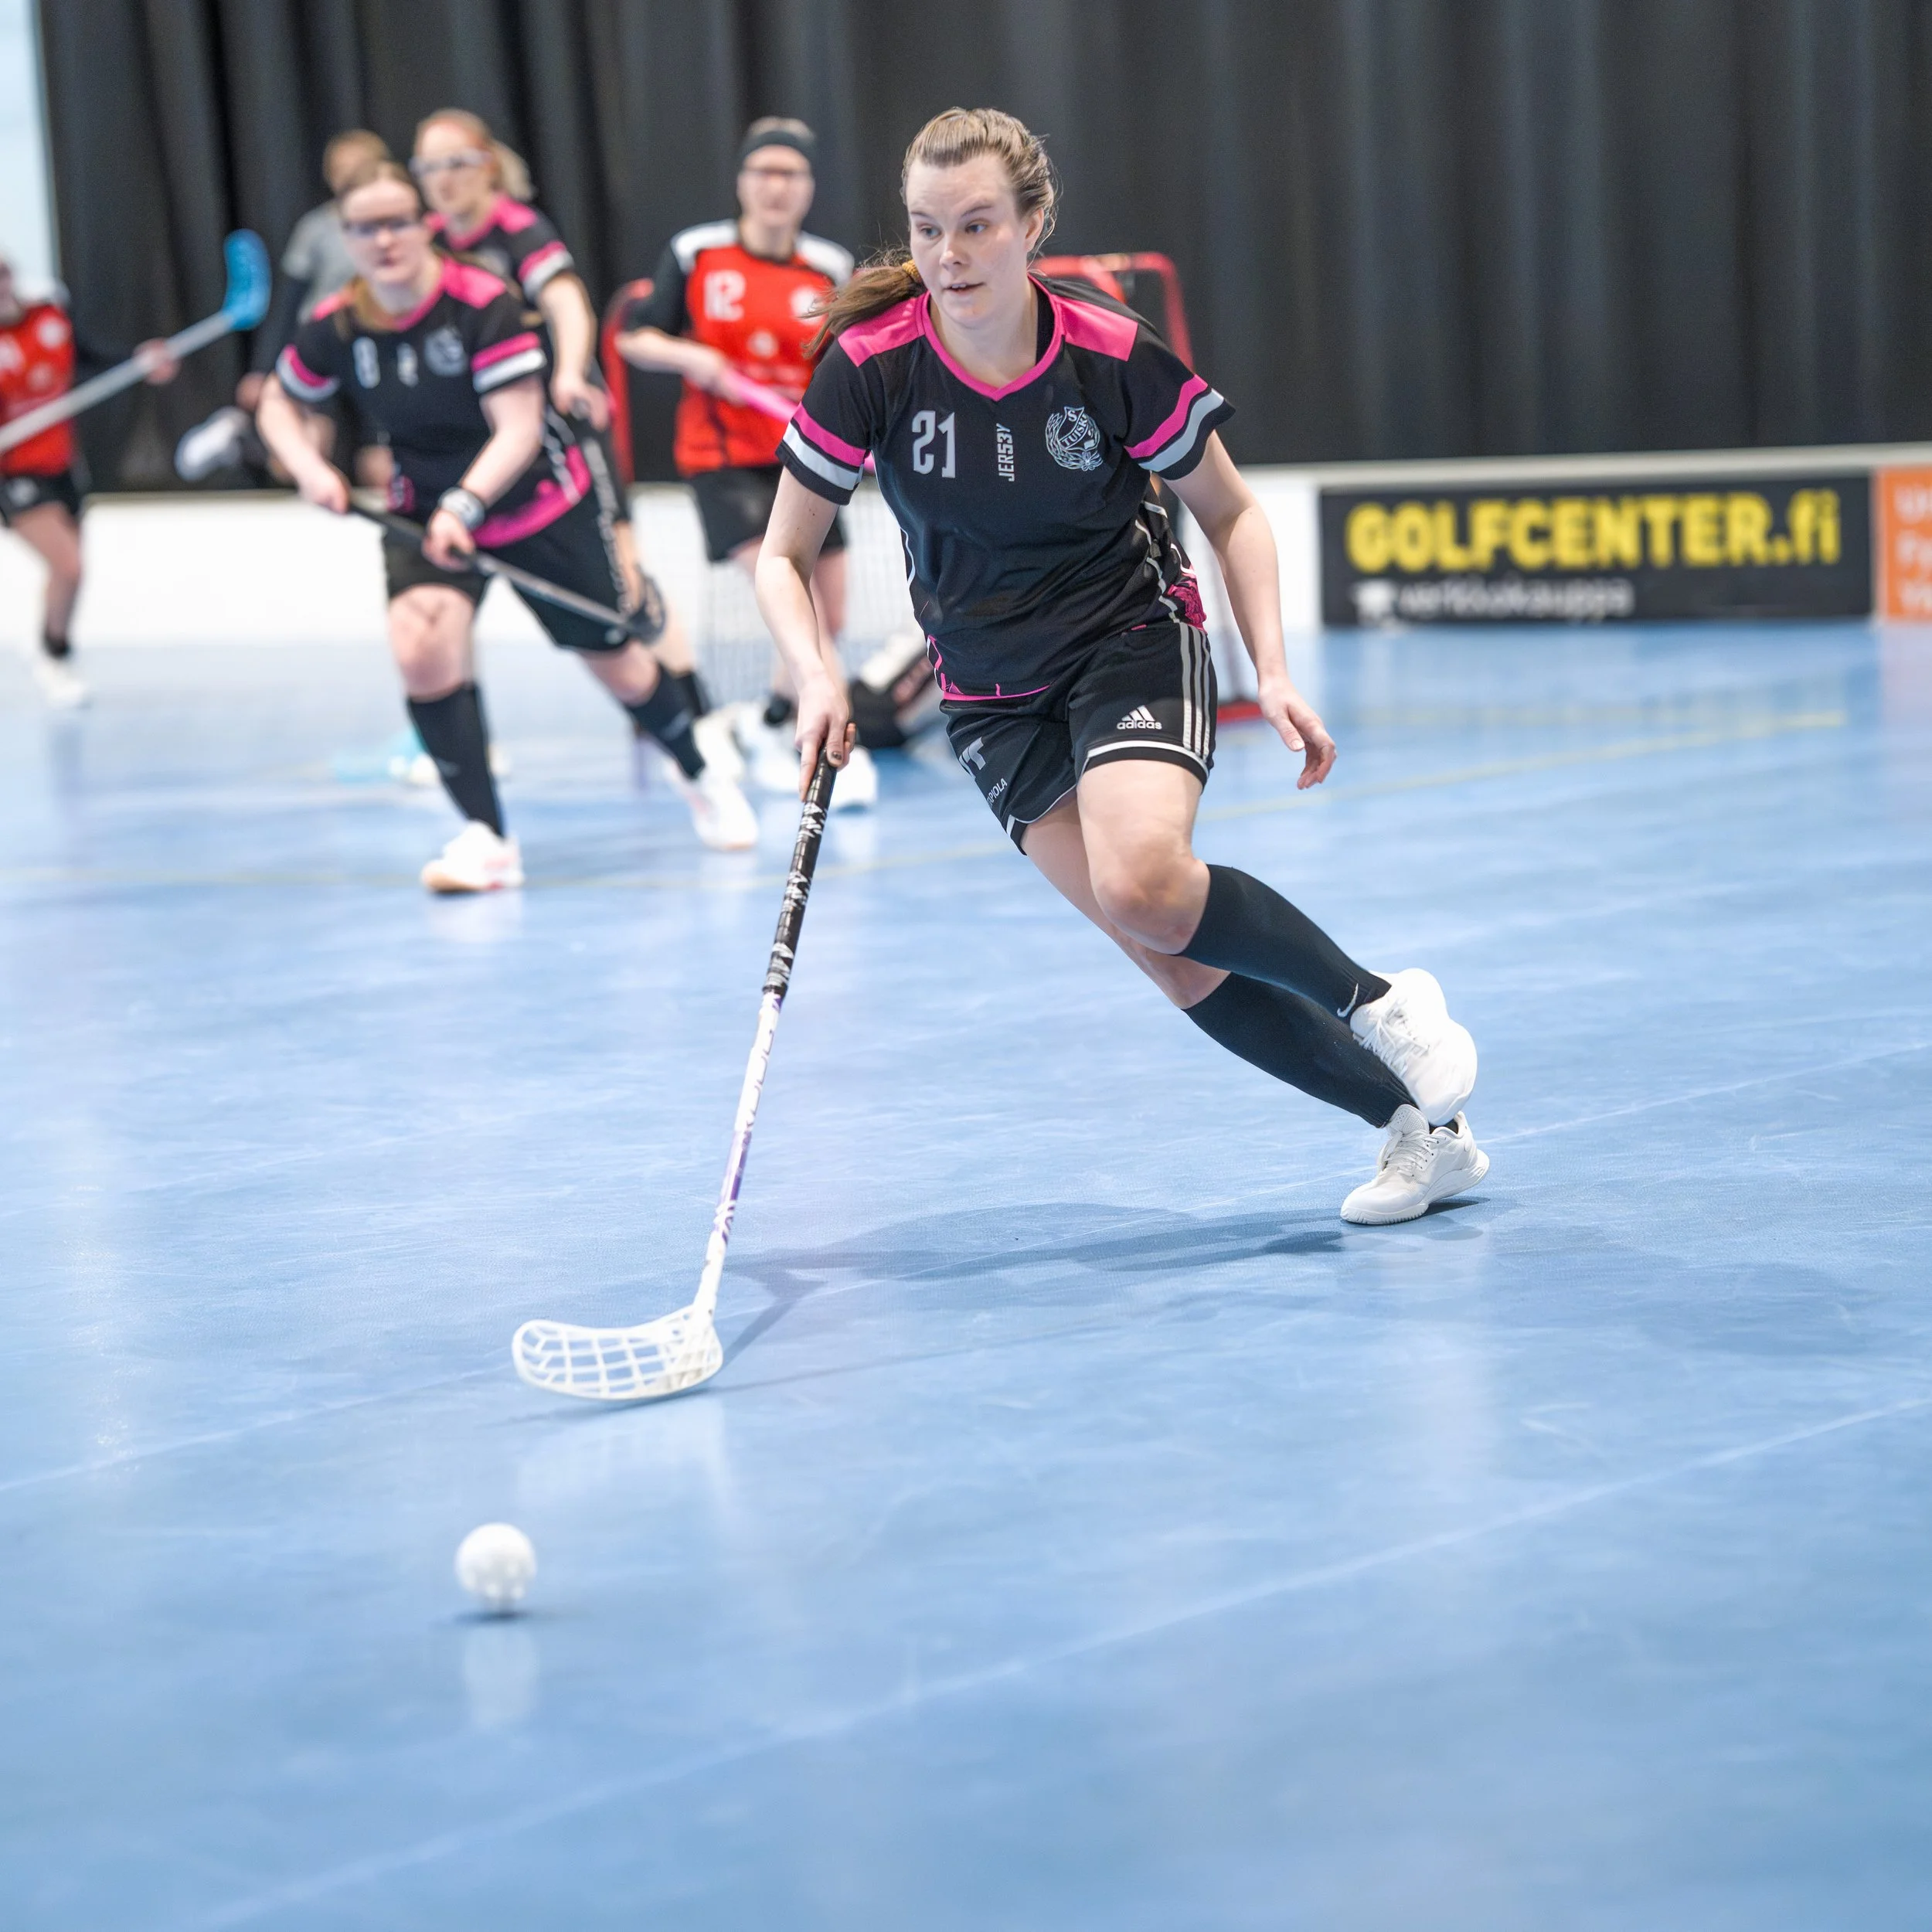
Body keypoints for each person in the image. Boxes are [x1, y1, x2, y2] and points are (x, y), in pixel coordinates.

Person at [758, 108, 1486, 1225]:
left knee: (1143, 879)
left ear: (1034, 224)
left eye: (977, 226)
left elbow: (1235, 514)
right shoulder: (872, 366)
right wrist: (814, 674)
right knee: (1167, 950)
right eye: (926, 230)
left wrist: (1274, 671)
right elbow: (783, 554)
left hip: (1126, 639)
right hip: (991, 697)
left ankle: (1380, 999)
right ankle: (1415, 1134)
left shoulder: (1107, 357)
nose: (949, 257)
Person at [254, 158, 757, 890]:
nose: (384, 241)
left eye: (398, 222)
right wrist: (308, 467)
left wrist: (466, 504)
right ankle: (485, 835)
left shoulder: (483, 304)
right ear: (347, 237)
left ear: (425, 224)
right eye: (365, 229)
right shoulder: (338, 324)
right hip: (422, 509)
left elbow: (518, 428)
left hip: (537, 502)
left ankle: (696, 770)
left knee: (614, 658)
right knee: (421, 640)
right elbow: (278, 399)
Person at [408, 106, 706, 753]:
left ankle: (694, 711)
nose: (442, 179)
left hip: (564, 434)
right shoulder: (424, 244)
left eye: (455, 163)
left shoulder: (517, 229)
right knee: (445, 597)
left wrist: (570, 372)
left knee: (623, 581)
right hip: (489, 452)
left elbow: (567, 300)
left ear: (486, 164)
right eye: (427, 168)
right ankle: (455, 739)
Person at [617, 116, 879, 808]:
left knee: (834, 609)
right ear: (741, 183)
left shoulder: (826, 268)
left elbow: (849, 359)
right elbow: (634, 337)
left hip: (807, 456)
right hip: (721, 458)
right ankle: (836, 749)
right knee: (800, 603)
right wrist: (690, 356)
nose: (775, 186)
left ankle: (770, 722)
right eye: (762, 172)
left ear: (809, 188)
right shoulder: (698, 253)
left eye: (789, 174)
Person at [0, 253, 179, 707]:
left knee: (73, 569)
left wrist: (138, 362)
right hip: (13, 474)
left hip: (61, 466)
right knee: (68, 565)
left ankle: (51, 640)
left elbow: (91, 359)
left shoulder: (49, 317)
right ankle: (53, 655)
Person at [178, 128, 394, 488]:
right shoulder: (317, 229)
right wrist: (262, 370)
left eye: (357, 167)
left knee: (382, 465)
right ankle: (240, 442)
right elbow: (288, 303)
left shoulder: (403, 224)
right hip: (329, 345)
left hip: (384, 346)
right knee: (301, 454)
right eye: (339, 169)